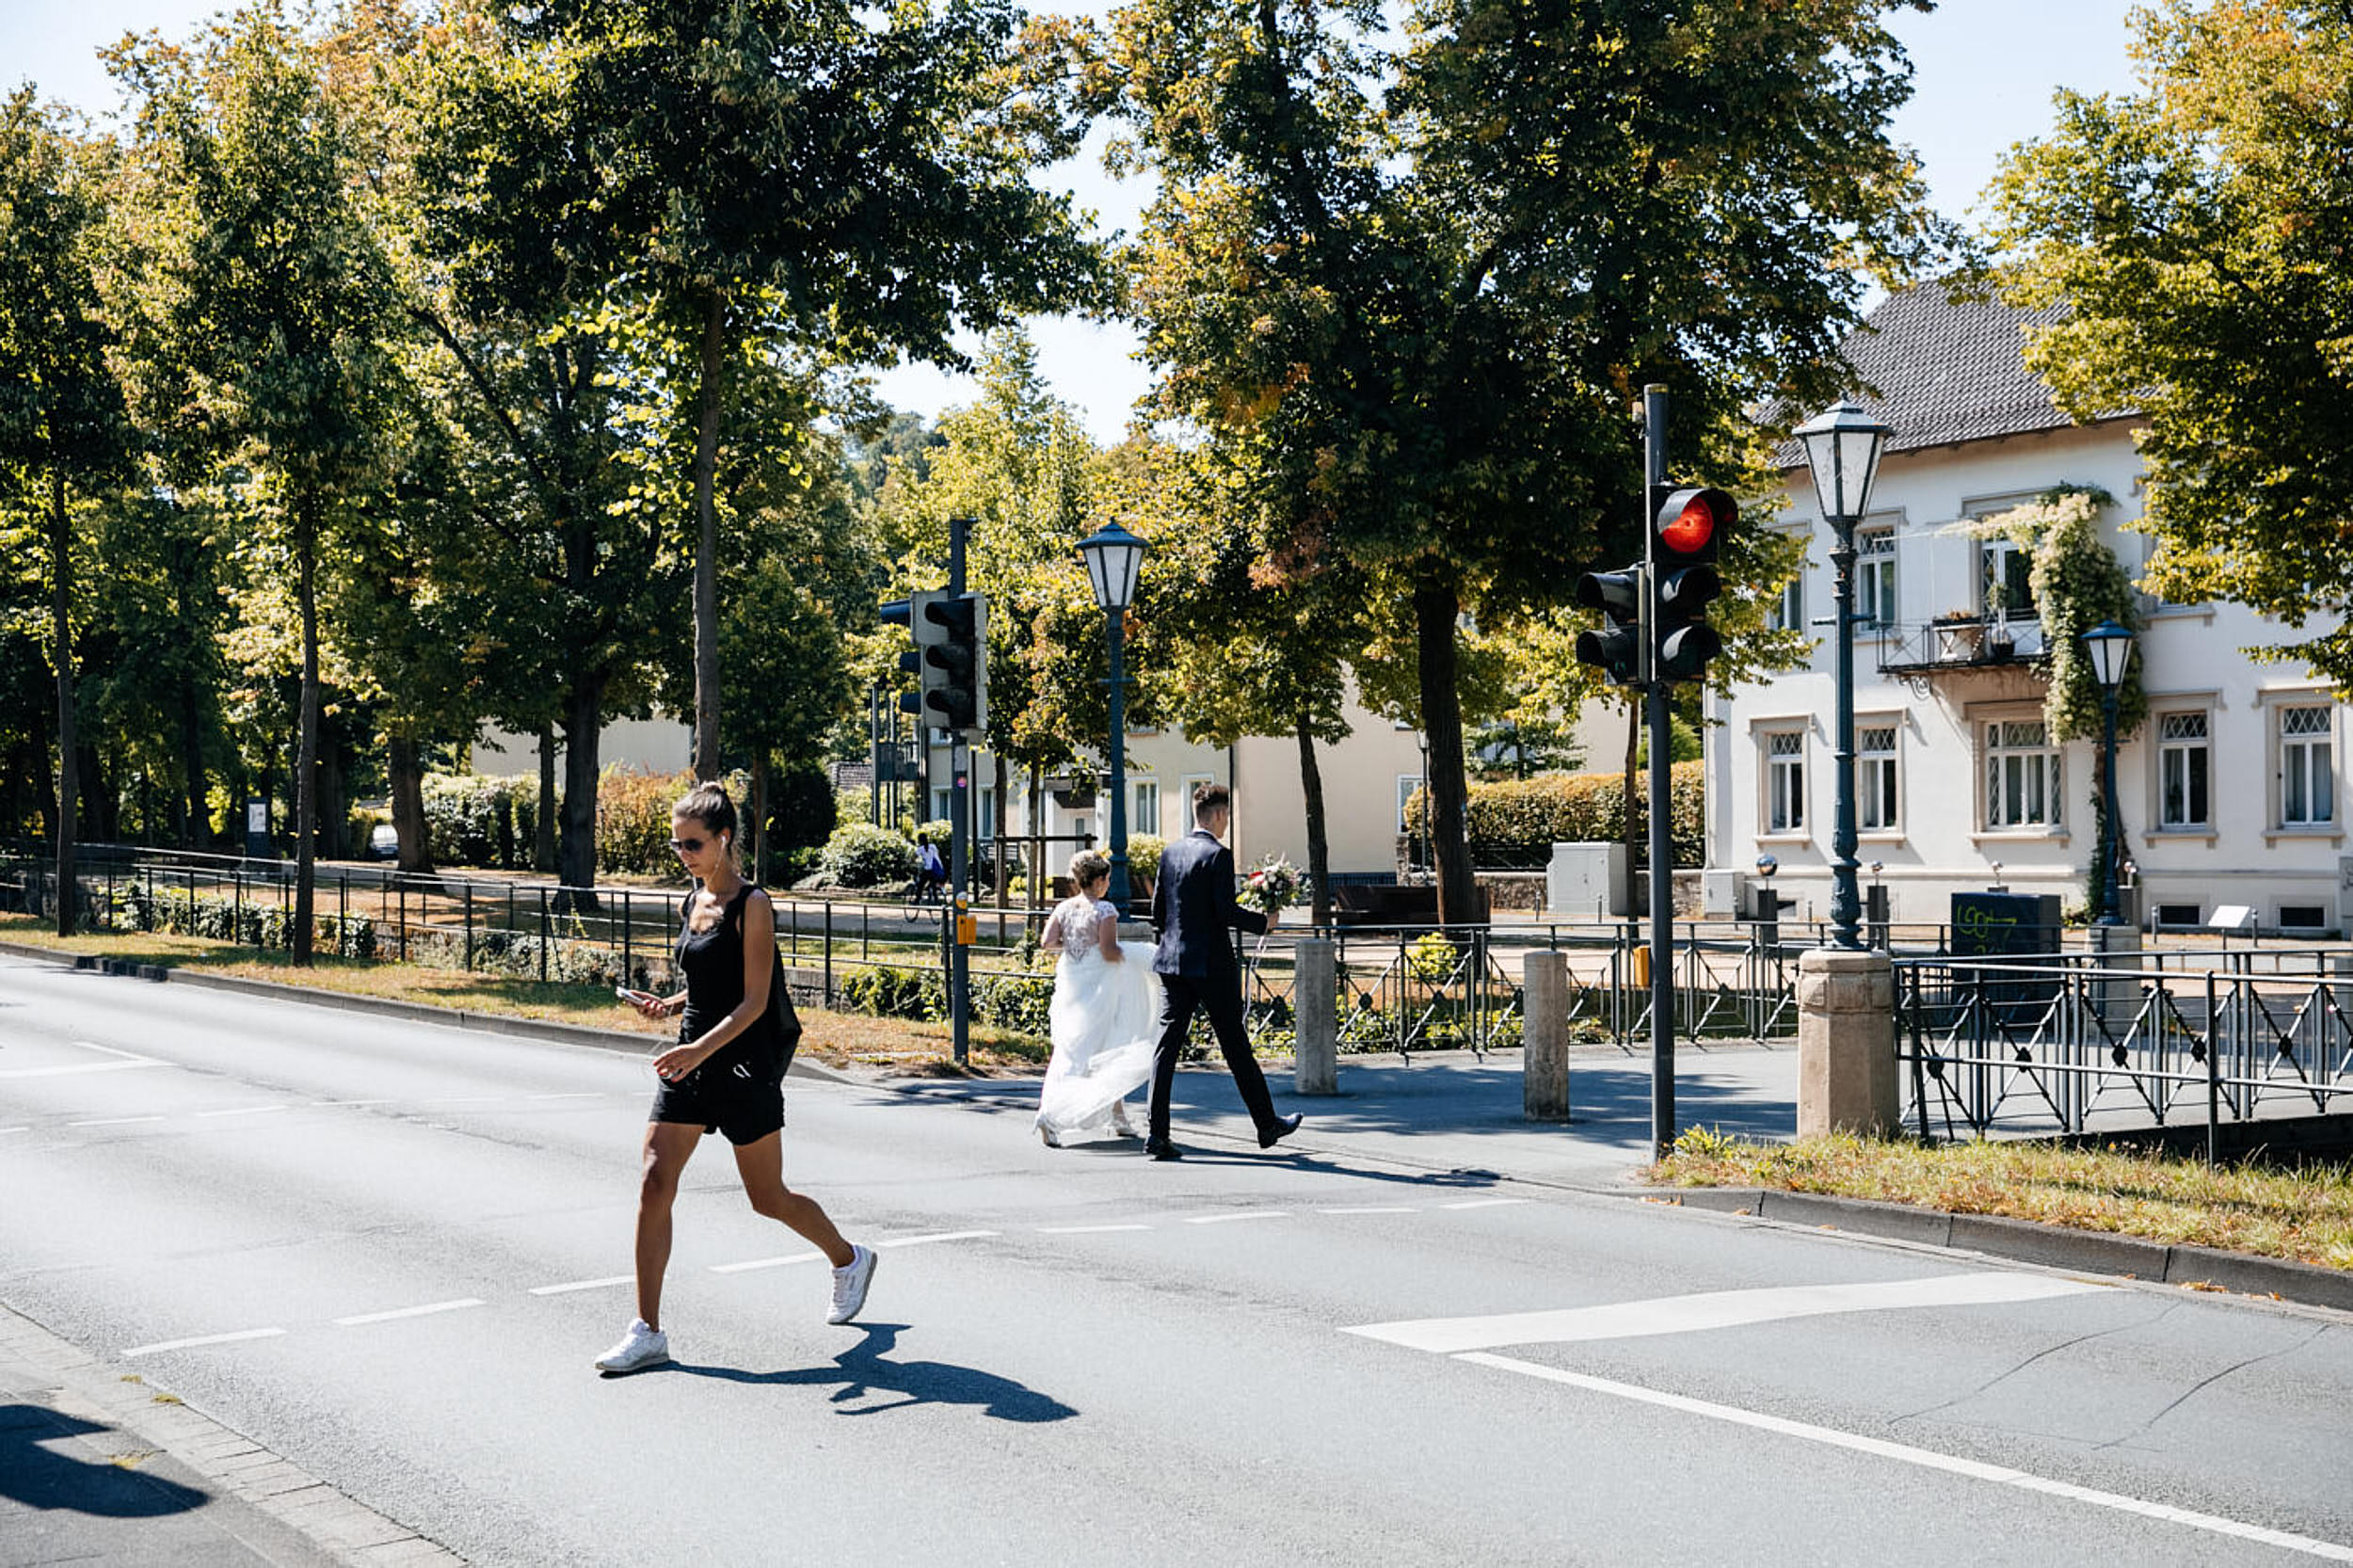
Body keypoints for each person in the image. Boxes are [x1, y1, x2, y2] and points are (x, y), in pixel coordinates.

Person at [595, 782, 876, 1374]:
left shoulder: (754, 905)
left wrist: (697, 1048)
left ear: (724, 839)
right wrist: (670, 1008)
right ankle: (647, 1330)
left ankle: (847, 1258)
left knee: (767, 1198)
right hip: (690, 1059)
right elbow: (706, 984)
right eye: (676, 847)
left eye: (692, 844)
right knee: (653, 1179)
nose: (684, 856)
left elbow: (752, 1001)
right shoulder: (690, 902)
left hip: (741, 1062)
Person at [1144, 782, 1302, 1160]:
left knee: (1165, 1048)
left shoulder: (1170, 853)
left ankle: (1157, 1135)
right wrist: (1264, 922)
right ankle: (1266, 1125)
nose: (1227, 822)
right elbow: (1225, 912)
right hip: (1211, 965)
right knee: (1235, 1046)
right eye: (1227, 816)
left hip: (1172, 963)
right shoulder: (1218, 855)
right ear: (1216, 815)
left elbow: (1157, 913)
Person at [1034, 850, 1159, 1146]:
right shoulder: (1105, 911)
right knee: (1106, 1046)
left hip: (1072, 986)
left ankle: (1116, 1115)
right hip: (1099, 989)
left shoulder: (1064, 908)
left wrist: (1074, 946)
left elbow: (1047, 942)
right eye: (1107, 879)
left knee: (1072, 1050)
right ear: (1101, 880)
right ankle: (1051, 1113)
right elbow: (1108, 951)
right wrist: (1135, 955)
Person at [915, 837, 946, 904]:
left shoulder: (920, 849)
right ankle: (935, 900)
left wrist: (909, 863)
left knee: (920, 884)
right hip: (939, 869)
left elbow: (913, 857)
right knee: (932, 884)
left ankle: (917, 900)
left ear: (920, 841)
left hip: (929, 870)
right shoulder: (933, 846)